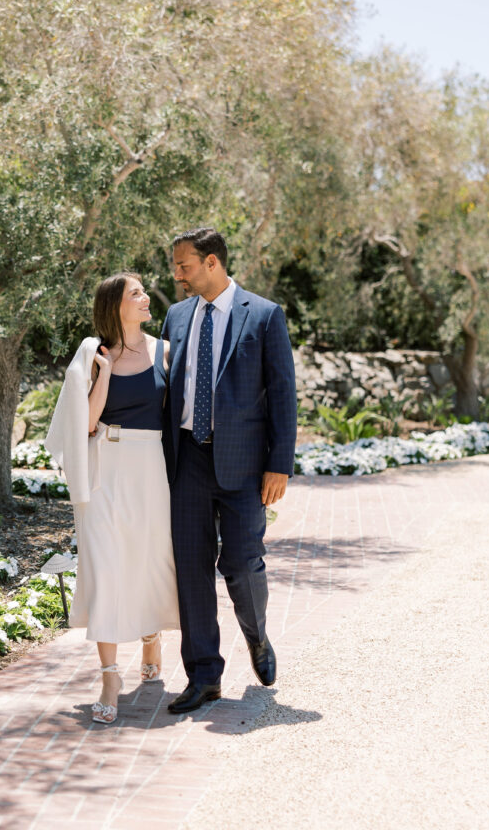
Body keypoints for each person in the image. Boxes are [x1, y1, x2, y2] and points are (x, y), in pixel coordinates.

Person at [161, 228, 297, 714]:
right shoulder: (176, 317)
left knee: (241, 563)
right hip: (188, 461)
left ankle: (257, 638)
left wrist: (279, 463)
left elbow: (283, 392)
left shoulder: (263, 315)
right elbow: (166, 388)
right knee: (192, 572)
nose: (176, 274)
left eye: (184, 265)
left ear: (212, 262)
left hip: (244, 465)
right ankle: (204, 676)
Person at [46, 272, 179, 725]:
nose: (145, 298)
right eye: (136, 293)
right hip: (104, 466)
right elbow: (85, 423)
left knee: (147, 559)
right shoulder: (92, 351)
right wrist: (103, 373)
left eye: (144, 292)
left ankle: (150, 637)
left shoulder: (164, 350)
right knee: (104, 566)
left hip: (150, 469)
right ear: (115, 306)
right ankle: (108, 676)